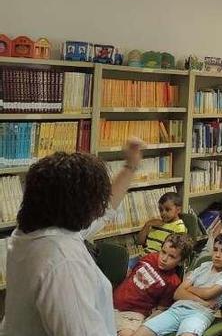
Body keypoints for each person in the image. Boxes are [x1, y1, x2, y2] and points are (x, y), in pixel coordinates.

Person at [0, 137, 143, 336]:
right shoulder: (64, 261)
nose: (99, 205)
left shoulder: (32, 234)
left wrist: (130, 166)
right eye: (95, 199)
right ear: (80, 206)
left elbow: (106, 211)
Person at [134, 232, 222, 336]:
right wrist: (201, 300)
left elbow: (208, 293)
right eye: (215, 249)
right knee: (142, 331)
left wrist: (189, 288)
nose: (217, 255)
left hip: (200, 313)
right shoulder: (204, 266)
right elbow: (177, 293)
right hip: (177, 308)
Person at [114, 234, 192, 336]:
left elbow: (161, 309)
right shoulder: (150, 257)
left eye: (172, 257)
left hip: (133, 314)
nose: (164, 258)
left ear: (181, 262)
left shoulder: (173, 282)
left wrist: (145, 326)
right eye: (163, 252)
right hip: (114, 301)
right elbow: (130, 276)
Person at [137, 191, 187, 255]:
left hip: (157, 259)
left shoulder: (179, 228)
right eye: (161, 210)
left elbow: (172, 253)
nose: (163, 213)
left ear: (178, 210)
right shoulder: (156, 223)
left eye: (167, 209)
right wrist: (147, 225)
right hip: (144, 256)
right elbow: (139, 242)